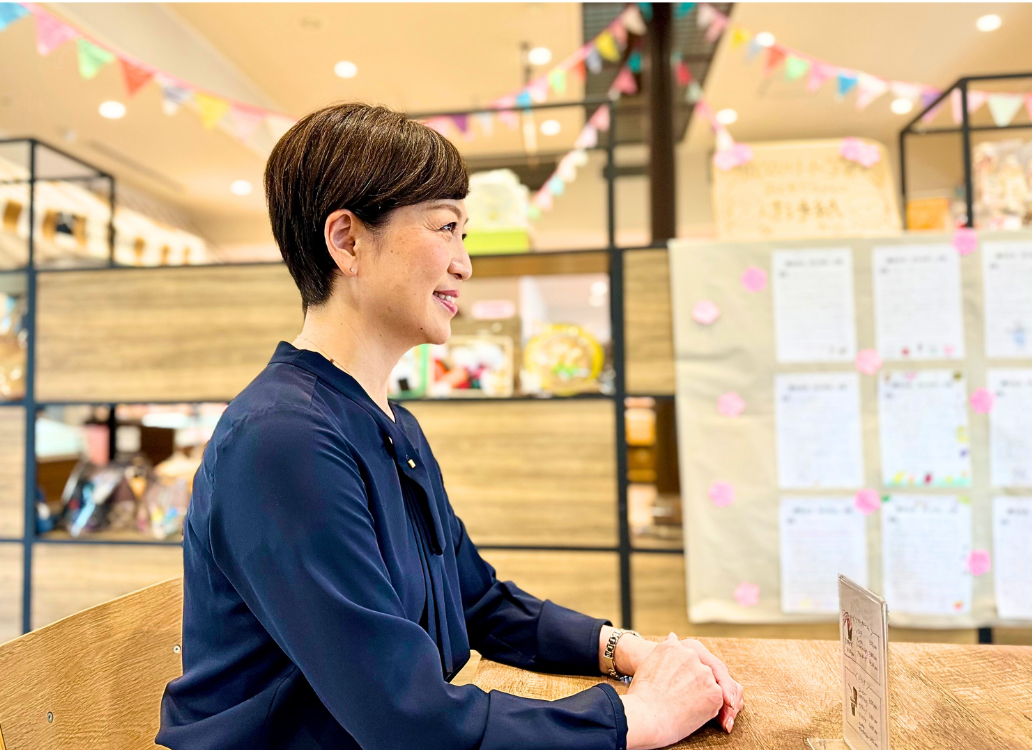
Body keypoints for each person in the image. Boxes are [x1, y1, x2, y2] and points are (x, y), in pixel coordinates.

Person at [156, 102, 743, 750]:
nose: (465, 264)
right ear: (347, 240)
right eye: (446, 228)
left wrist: (629, 651)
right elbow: (409, 721)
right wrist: (639, 716)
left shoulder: (390, 423)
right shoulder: (280, 443)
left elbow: (477, 602)